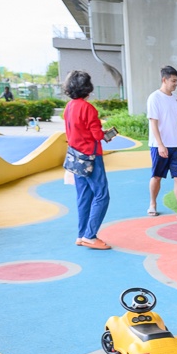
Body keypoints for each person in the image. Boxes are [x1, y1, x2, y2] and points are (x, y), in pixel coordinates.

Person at [63, 70, 113, 250]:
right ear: (87, 87)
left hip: (76, 157)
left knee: (84, 196)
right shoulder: (88, 108)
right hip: (91, 157)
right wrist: (105, 134)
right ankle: (90, 236)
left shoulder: (69, 107)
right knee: (101, 195)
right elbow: (97, 135)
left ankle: (81, 234)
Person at [146, 65, 177, 219]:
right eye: (173, 81)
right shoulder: (154, 97)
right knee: (157, 176)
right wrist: (160, 144)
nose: (176, 84)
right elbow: (153, 123)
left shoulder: (175, 97)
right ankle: (152, 204)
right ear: (164, 79)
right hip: (159, 145)